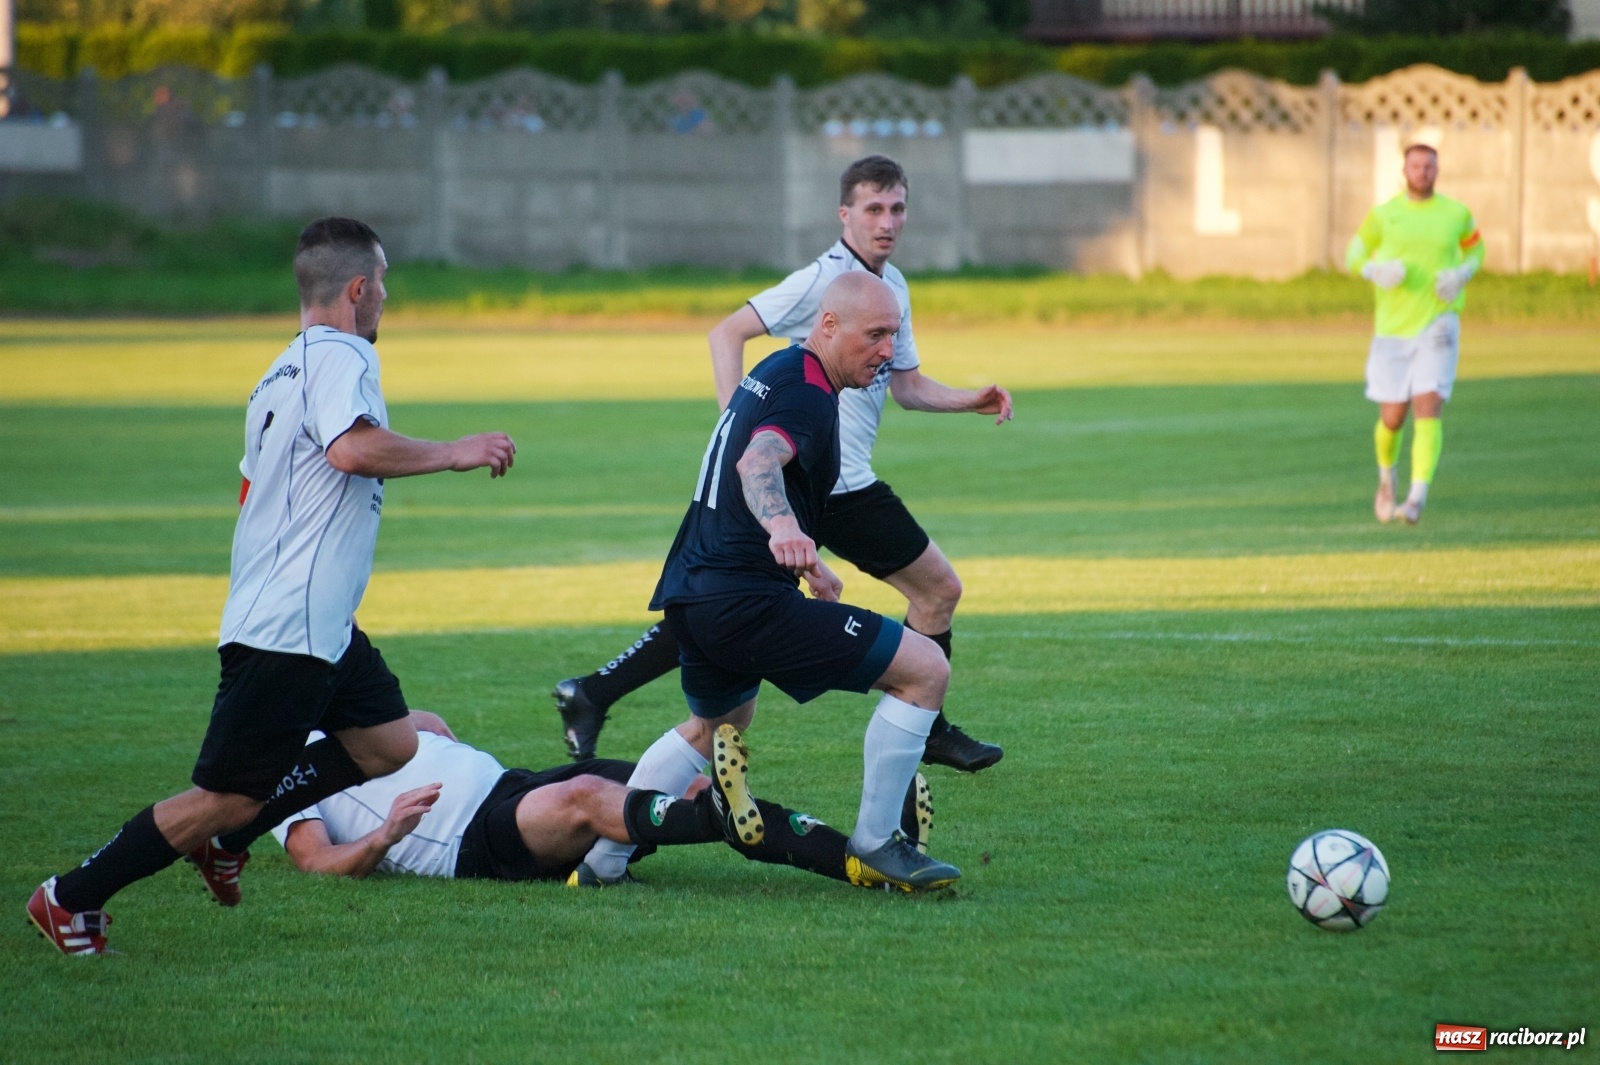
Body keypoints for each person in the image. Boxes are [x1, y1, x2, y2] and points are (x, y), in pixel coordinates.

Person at [27, 217, 519, 956]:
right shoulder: (344, 355)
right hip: (289, 627)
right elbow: (351, 449)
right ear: (360, 289)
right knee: (223, 796)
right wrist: (456, 450)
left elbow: (253, 490)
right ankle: (72, 895)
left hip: (319, 624)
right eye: (382, 285)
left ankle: (232, 840)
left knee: (388, 743)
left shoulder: (278, 372)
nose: (384, 297)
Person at [554, 155, 1011, 773]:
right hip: (829, 483)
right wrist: (735, 425)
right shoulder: (823, 281)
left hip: (822, 483)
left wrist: (969, 399)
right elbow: (727, 332)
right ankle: (924, 720)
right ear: (844, 213)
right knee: (937, 589)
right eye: (873, 209)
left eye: (897, 208)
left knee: (728, 622)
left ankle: (595, 691)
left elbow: (905, 387)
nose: (887, 222)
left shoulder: (888, 287)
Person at [572, 272, 963, 894]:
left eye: (894, 333)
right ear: (828, 326)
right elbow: (757, 462)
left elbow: (741, 473)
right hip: (743, 601)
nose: (889, 349)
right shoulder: (807, 395)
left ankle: (601, 863)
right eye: (876, 334)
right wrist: (783, 526)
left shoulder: (780, 368)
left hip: (693, 592)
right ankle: (878, 842)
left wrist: (808, 561)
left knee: (714, 725)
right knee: (925, 671)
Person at [271, 711, 934, 890]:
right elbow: (313, 860)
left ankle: (860, 860)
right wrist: (385, 834)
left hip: (512, 783)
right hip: (472, 839)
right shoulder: (278, 768)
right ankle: (865, 850)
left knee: (696, 785)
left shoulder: (346, 708)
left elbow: (432, 727)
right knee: (593, 797)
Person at [1346, 143, 1484, 526]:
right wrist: (1374, 270)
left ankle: (1417, 497)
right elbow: (1353, 253)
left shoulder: (1456, 214)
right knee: (1392, 416)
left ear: (1437, 171)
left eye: (1429, 166)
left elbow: (1477, 249)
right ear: (1404, 170)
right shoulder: (1384, 216)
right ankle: (1386, 477)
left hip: (1440, 321)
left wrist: (1462, 274)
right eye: (1416, 165)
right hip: (1393, 328)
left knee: (1429, 404)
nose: (1422, 172)